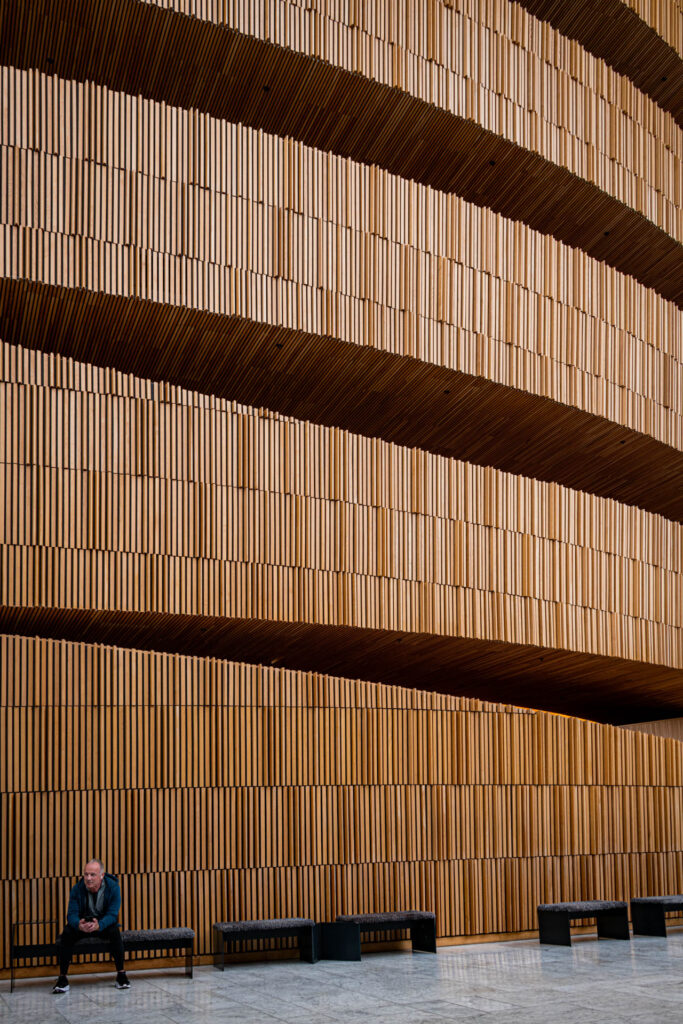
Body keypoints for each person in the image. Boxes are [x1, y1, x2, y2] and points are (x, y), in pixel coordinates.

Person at [52, 859, 130, 993]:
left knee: (114, 931)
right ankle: (62, 978)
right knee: (67, 932)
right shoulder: (77, 888)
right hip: (83, 924)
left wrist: (100, 925)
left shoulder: (113, 887)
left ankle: (121, 975)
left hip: (102, 924)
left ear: (102, 875)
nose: (88, 878)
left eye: (92, 875)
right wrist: (78, 924)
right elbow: (71, 914)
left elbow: (113, 914)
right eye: (86, 874)